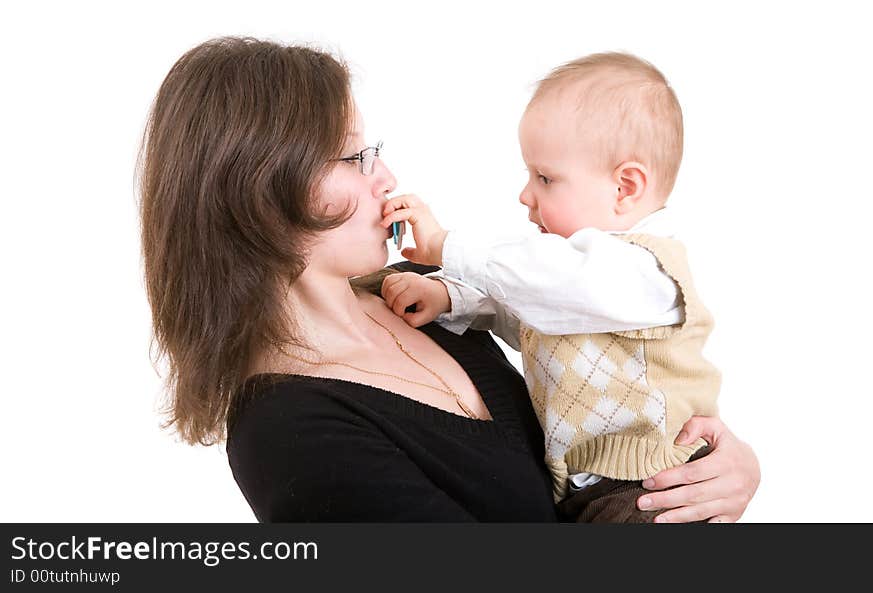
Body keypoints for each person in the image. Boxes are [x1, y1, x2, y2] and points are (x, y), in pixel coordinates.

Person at [137, 37, 760, 522]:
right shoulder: (289, 432)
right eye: (355, 159)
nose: (386, 179)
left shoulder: (418, 295)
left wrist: (721, 470)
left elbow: (591, 358)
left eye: (375, 151)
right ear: (259, 195)